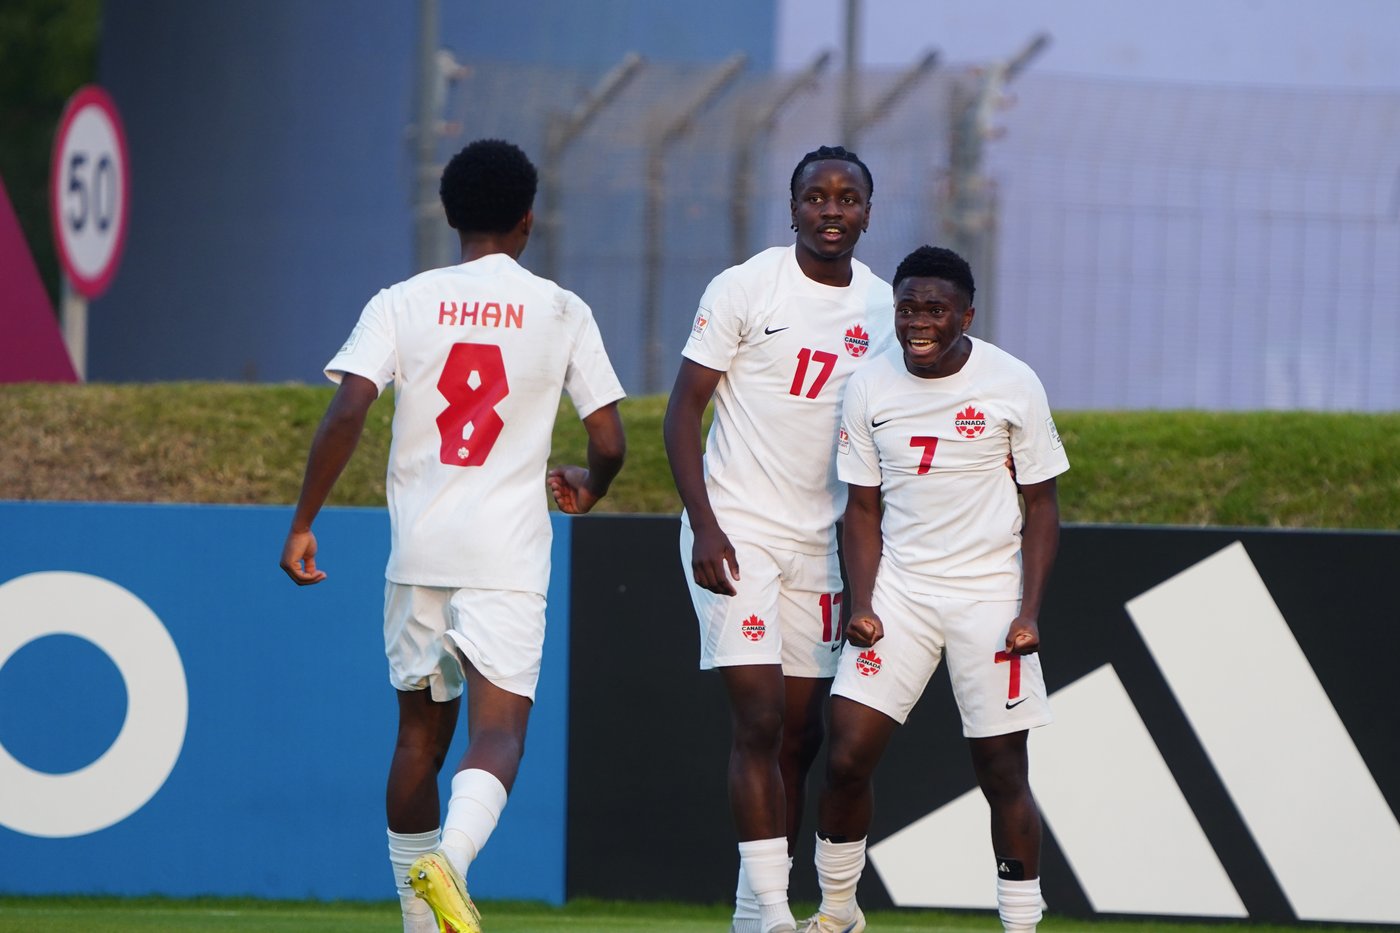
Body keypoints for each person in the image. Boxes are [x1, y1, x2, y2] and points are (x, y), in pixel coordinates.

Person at [278, 138, 626, 933]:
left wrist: (303, 521)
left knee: (416, 740)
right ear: (528, 221)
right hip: (505, 557)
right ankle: (453, 862)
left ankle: (418, 920)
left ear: (449, 215)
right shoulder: (562, 309)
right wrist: (590, 483)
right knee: (498, 732)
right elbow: (608, 439)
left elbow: (349, 411)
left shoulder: (402, 299)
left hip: (419, 555)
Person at [662, 145, 894, 933]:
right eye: (817, 197)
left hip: (824, 546)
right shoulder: (745, 286)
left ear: (869, 209)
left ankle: (750, 912)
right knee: (759, 720)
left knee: (800, 734)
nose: (833, 211)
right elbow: (683, 410)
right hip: (739, 532)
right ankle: (770, 912)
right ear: (792, 206)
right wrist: (704, 522)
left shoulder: (885, 307)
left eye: (848, 198)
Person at [804, 245, 1068, 933]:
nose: (918, 322)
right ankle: (837, 912)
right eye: (907, 308)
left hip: (989, 595)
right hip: (902, 592)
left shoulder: (1013, 382)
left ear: (966, 315)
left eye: (934, 309)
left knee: (1003, 770)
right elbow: (861, 509)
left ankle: (1020, 926)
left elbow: (1042, 505)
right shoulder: (869, 384)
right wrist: (863, 603)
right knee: (846, 752)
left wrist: (1028, 611)